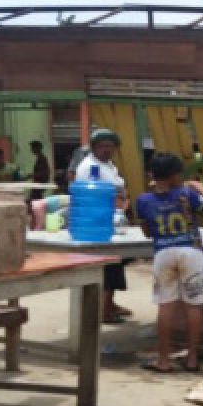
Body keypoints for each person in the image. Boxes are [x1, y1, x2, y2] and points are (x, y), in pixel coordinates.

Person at [137, 153, 203, 373]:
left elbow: (146, 231)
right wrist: (201, 189)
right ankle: (192, 358)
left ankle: (163, 360)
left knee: (165, 307)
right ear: (175, 175)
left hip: (163, 253)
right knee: (194, 308)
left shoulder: (143, 200)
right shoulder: (187, 194)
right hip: (191, 252)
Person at [75, 128, 133, 323]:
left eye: (111, 146)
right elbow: (91, 196)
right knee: (111, 261)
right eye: (103, 146)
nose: (107, 150)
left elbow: (119, 190)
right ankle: (104, 308)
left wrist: (124, 201)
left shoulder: (109, 165)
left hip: (114, 219)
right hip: (96, 222)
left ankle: (109, 303)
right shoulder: (88, 167)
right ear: (94, 148)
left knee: (121, 258)